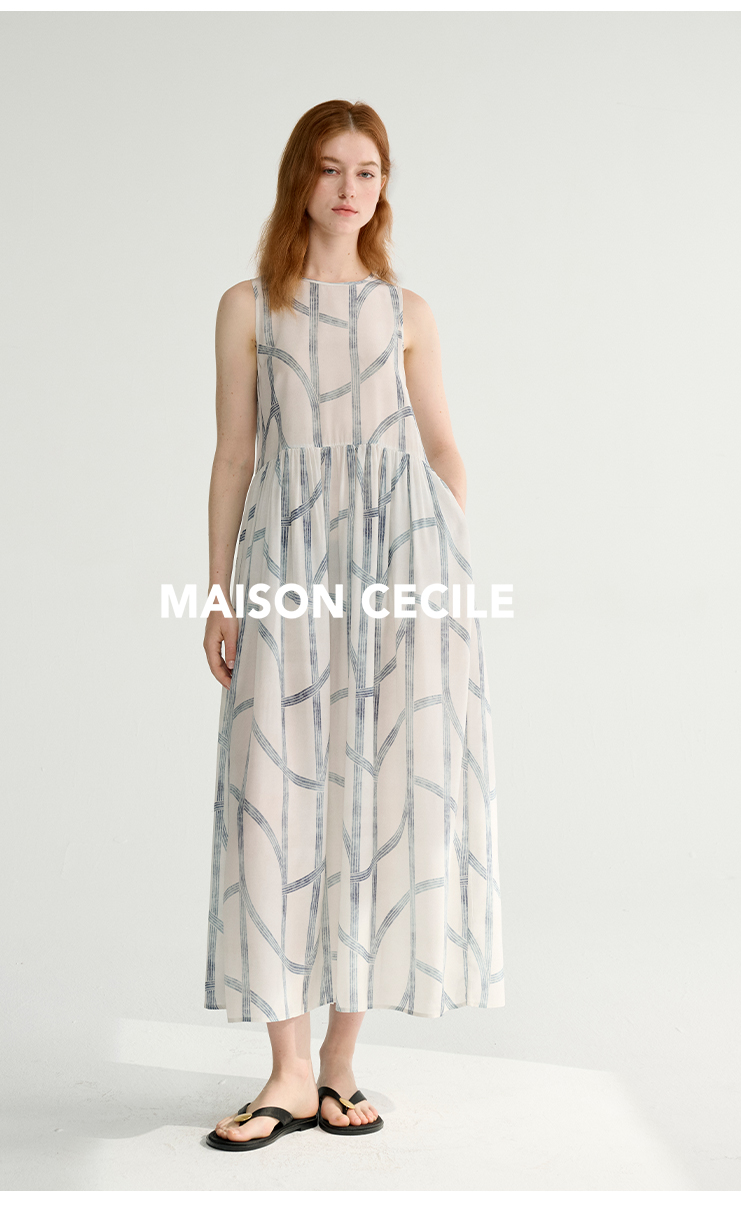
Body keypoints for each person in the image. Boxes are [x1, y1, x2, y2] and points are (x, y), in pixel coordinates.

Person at [202, 99, 504, 1151]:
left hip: (401, 572)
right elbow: (234, 455)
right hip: (286, 568)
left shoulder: (406, 309)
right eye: (329, 168)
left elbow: (444, 447)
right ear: (300, 178)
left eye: (367, 171)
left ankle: (337, 1064)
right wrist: (219, 591)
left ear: (383, 187)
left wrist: (444, 561)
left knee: (377, 797)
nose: (348, 188)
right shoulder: (250, 307)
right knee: (275, 797)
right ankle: (284, 1073)